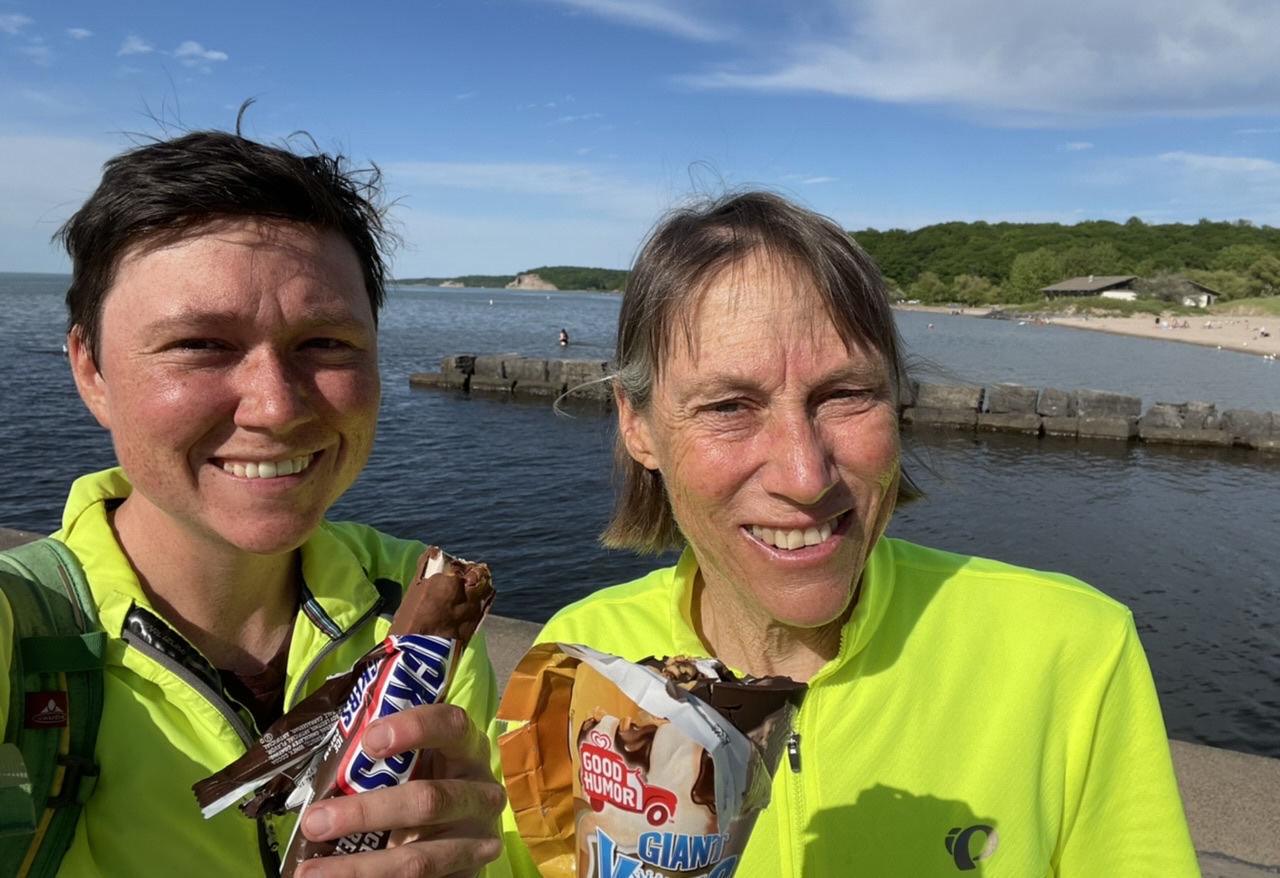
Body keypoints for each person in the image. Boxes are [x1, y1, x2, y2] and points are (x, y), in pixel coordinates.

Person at [505, 191, 1198, 875]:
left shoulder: (1072, 651)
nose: (806, 477)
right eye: (728, 405)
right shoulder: (579, 659)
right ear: (637, 426)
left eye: (845, 395)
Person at [2, 118, 509, 877]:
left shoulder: (418, 604)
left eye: (326, 343)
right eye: (201, 344)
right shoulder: (22, 633)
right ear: (91, 371)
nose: (276, 407)